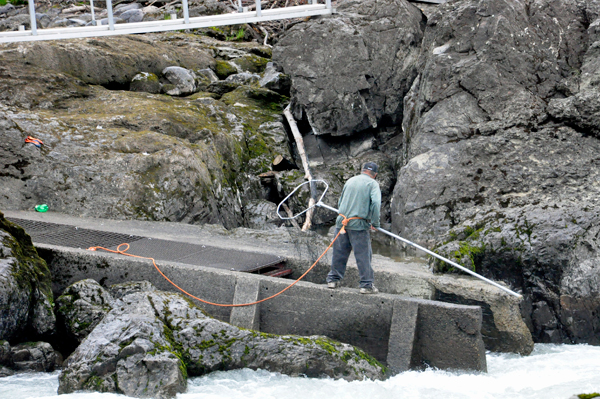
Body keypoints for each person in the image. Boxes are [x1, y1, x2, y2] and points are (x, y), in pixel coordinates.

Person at [326, 161, 381, 294]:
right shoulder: (372, 184)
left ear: (362, 170)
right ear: (375, 175)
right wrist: (375, 222)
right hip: (359, 225)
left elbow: (341, 201)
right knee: (363, 256)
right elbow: (376, 203)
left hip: (342, 222)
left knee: (339, 253)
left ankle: (333, 280)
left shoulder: (350, 181)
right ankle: (366, 285)